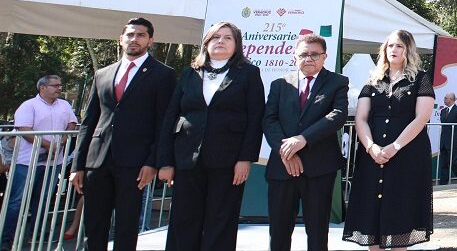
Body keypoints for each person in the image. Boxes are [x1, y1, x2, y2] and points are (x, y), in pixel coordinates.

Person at [157, 21, 265, 251]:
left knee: (221, 220)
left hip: (228, 160)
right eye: (215, 37)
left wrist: (245, 159)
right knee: (184, 219)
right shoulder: (189, 74)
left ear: (237, 45)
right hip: (187, 158)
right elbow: (171, 116)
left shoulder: (248, 73)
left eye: (227, 38)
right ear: (206, 43)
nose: (220, 41)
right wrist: (165, 161)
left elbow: (255, 118)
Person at [71, 18, 176, 251]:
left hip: (135, 163)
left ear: (150, 41)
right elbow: (89, 122)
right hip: (97, 161)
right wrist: (78, 165)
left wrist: (153, 162)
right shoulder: (103, 74)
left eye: (140, 35)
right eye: (129, 35)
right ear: (121, 39)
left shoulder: (163, 75)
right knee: (94, 223)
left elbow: (163, 123)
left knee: (126, 225)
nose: (134, 39)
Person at [343, 30, 434, 249]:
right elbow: (361, 118)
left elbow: (421, 118)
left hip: (407, 157)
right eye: (390, 46)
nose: (393, 50)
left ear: (408, 50)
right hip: (372, 158)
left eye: (399, 46)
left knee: (400, 213)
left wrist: (395, 147)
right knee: (371, 214)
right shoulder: (372, 81)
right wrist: (371, 147)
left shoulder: (420, 79)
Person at [263, 34, 350, 251]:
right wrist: (286, 152)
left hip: (319, 168)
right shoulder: (279, 84)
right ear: (295, 56)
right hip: (282, 168)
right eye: (303, 54)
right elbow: (269, 119)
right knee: (279, 230)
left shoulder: (337, 82)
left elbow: (337, 115)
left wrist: (303, 140)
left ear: (324, 57)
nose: (309, 58)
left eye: (314, 54)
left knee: (318, 231)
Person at [1, 74, 78, 251]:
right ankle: (6, 239)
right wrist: (50, 145)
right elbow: (25, 131)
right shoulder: (29, 106)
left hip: (53, 163)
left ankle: (36, 235)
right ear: (42, 88)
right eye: (55, 85)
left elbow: (72, 123)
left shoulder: (65, 105)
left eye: (60, 85)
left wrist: (63, 140)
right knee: (17, 202)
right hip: (27, 162)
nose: (59, 88)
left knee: (43, 200)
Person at [437, 93, 457, 185]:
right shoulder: (442, 111)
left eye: (446, 98)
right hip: (444, 141)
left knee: (454, 162)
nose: (444, 99)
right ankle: (443, 183)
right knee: (444, 163)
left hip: (454, 140)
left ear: (451, 99)